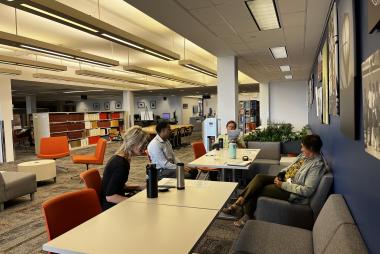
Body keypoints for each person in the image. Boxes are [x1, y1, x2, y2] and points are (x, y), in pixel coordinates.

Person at [223, 134, 326, 227]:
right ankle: (238, 205)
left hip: (292, 192)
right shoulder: (304, 156)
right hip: (285, 180)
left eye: (303, 147)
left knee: (259, 189)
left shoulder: (317, 166)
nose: (301, 149)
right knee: (259, 177)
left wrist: (283, 185)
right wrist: (280, 174)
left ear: (311, 148)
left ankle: (245, 214)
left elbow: (307, 190)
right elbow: (290, 168)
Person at [101, 126, 150, 211]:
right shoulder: (121, 165)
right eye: (142, 145)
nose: (144, 148)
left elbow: (119, 186)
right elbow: (110, 197)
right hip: (111, 209)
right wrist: (135, 203)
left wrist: (140, 187)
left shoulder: (119, 158)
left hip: (113, 203)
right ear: (133, 143)